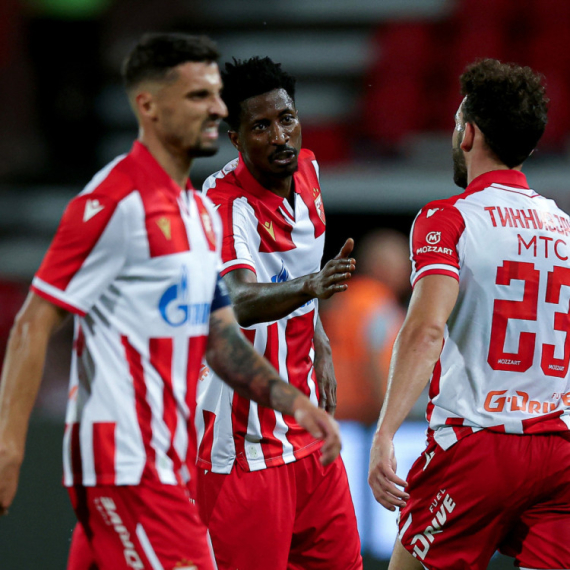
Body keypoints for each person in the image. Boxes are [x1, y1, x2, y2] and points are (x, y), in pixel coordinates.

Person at [0, 34, 341, 570]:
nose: (213, 110)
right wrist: (9, 446)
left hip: (177, 451)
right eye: (197, 96)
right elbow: (31, 325)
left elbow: (221, 339)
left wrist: (296, 398)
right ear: (150, 107)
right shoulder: (112, 204)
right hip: (124, 462)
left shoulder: (192, 212)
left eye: (212, 95)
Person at [368, 58, 570, 570]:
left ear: (469, 133)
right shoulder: (565, 227)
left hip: (478, 444)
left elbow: (426, 329)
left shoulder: (449, 219)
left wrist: (385, 431)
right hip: (560, 451)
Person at [196, 56, 363, 570]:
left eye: (286, 119)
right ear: (235, 138)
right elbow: (239, 299)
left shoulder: (308, 172)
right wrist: (313, 287)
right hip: (244, 449)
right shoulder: (224, 206)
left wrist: (319, 338)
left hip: (309, 436)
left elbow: (296, 268)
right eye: (261, 126)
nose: (280, 137)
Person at [320, 229, 410, 551]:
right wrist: (387, 414)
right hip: (363, 418)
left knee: (340, 513)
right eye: (403, 263)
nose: (409, 270)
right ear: (383, 266)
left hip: (333, 415)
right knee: (372, 521)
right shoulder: (379, 303)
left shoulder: (342, 298)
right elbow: (374, 357)